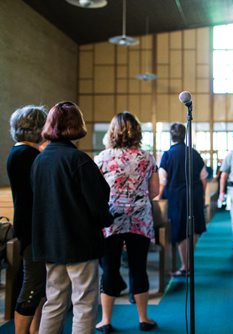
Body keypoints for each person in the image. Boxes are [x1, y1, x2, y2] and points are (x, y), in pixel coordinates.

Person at [31, 101, 113, 334]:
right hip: (79, 242)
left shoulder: (40, 160)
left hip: (50, 241)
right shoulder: (79, 160)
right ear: (77, 125)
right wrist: (107, 220)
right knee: (85, 303)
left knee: (54, 301)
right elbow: (97, 202)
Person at [94, 112, 159, 332]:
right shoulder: (146, 157)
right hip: (140, 219)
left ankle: (106, 320)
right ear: (137, 131)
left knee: (110, 269)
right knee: (138, 267)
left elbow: (96, 193)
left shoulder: (102, 158)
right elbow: (155, 191)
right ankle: (143, 318)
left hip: (110, 219)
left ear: (112, 131)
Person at [7, 105, 47, 334]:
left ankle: (35, 330)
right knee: (32, 284)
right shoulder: (28, 155)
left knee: (38, 285)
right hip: (33, 228)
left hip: (26, 224)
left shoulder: (19, 152)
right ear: (38, 128)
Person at [159, 123, 207, 274]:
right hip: (194, 196)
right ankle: (189, 263)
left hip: (176, 198)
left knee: (180, 232)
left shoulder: (167, 155)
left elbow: (163, 180)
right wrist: (202, 195)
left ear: (171, 136)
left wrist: (159, 198)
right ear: (185, 135)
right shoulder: (194, 153)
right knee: (192, 230)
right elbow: (204, 177)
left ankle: (185, 266)